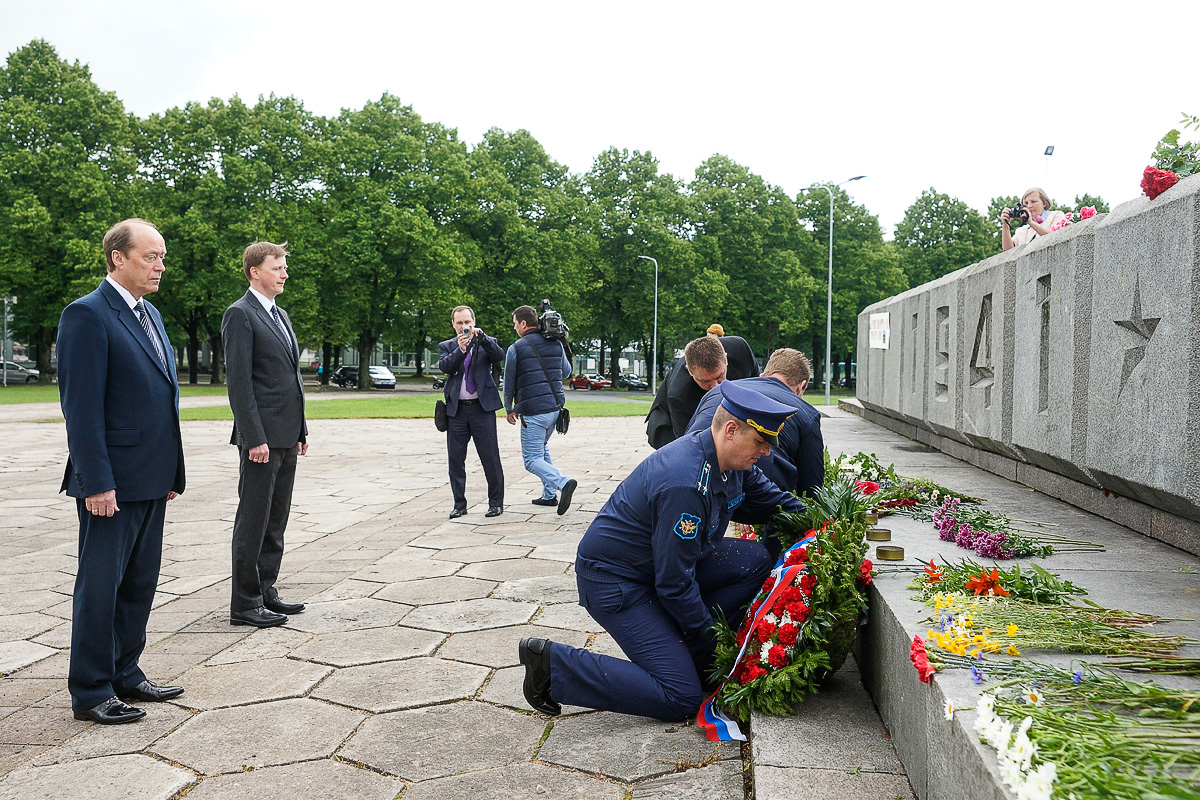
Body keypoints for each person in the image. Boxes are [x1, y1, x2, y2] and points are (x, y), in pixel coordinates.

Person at [519, 382, 805, 721]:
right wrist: (714, 643)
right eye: (760, 441)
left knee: (754, 560)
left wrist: (831, 520)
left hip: (658, 567)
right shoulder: (685, 482)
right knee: (680, 697)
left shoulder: (729, 463)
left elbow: (779, 502)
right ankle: (552, 665)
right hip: (617, 583)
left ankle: (686, 656)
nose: (767, 451)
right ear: (731, 430)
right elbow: (675, 584)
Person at [57, 218, 186, 724]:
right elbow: (82, 409)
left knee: (139, 581)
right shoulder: (87, 315)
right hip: (111, 481)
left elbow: (160, 397)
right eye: (151, 256)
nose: (160, 265)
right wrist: (97, 481)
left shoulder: (148, 313)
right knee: (101, 584)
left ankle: (125, 672)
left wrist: (171, 470)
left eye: (162, 256)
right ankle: (91, 689)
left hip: (151, 475)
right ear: (118, 258)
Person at [222, 241, 308, 628]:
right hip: (261, 440)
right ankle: (244, 602)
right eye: (277, 267)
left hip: (287, 435)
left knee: (276, 520)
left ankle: (266, 590)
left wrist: (301, 429)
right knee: (253, 521)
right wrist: (253, 437)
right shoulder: (240, 315)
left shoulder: (280, 314)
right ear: (255, 271)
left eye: (284, 267)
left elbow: (291, 378)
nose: (284, 273)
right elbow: (240, 384)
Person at [685, 348, 824, 560]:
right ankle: (771, 578)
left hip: (694, 474)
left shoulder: (718, 391)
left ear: (763, 375)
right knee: (780, 520)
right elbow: (811, 490)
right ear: (801, 386)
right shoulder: (805, 412)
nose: (765, 448)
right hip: (760, 486)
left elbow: (688, 437)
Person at [503, 305, 577, 515]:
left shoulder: (516, 347)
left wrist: (509, 408)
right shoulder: (556, 344)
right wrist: (563, 343)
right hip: (555, 410)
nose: (515, 327)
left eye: (515, 323)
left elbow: (508, 383)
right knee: (541, 448)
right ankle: (549, 495)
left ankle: (563, 483)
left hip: (533, 413)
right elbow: (566, 372)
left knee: (531, 460)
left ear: (524, 323)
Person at [438, 305, 505, 519]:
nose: (464, 326)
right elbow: (445, 367)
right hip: (456, 411)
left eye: (467, 322)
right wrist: (460, 350)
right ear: (453, 324)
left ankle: (495, 503)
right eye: (460, 323)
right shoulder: (448, 346)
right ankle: (460, 504)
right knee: (455, 460)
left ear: (474, 321)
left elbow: (498, 356)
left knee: (490, 458)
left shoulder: (487, 342)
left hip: (481, 408)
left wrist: (482, 339)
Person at [647, 332, 759, 449]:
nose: (715, 386)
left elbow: (759, 389)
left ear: (725, 359)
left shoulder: (741, 350)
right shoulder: (679, 394)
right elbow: (688, 443)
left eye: (719, 376)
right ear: (690, 372)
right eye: (705, 381)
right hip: (668, 424)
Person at [1001, 187, 1066, 251]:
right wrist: (1005, 226)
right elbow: (1008, 251)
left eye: (1033, 201)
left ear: (1044, 203)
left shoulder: (1056, 215)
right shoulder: (1021, 231)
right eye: (1026, 203)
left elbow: (1056, 237)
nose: (1029, 206)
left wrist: (1031, 222)